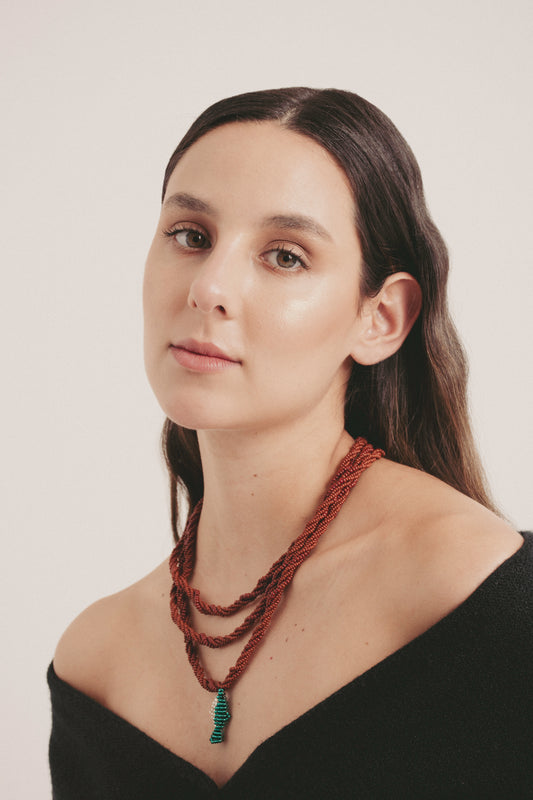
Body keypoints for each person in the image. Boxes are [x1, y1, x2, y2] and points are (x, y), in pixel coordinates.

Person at [48, 88, 532, 798]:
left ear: (380, 318)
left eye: (284, 255)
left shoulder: (476, 594)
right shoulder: (97, 663)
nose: (209, 287)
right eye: (190, 236)